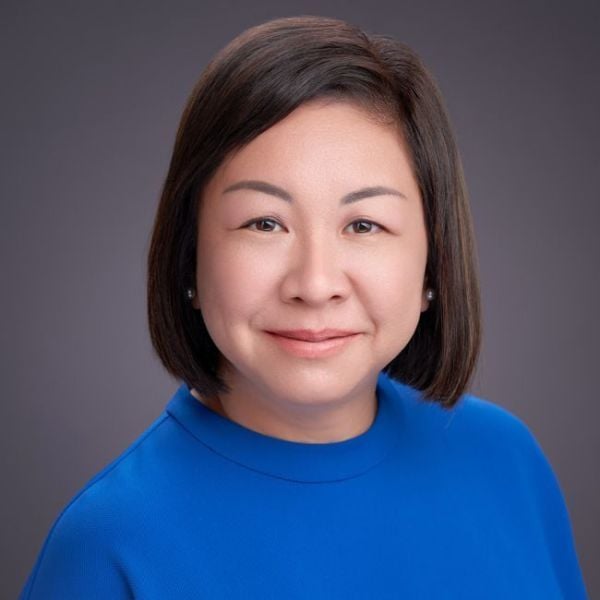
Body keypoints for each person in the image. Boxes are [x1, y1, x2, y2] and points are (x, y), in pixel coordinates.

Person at [20, 15, 588, 599]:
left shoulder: (506, 461)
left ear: (432, 263)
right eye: (264, 223)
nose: (315, 284)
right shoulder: (107, 544)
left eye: (364, 224)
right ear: (190, 257)